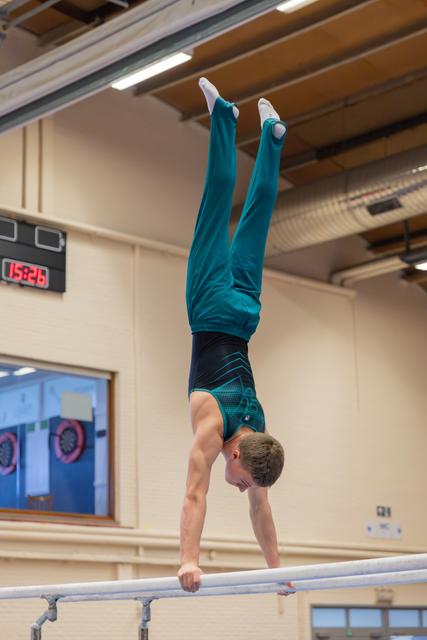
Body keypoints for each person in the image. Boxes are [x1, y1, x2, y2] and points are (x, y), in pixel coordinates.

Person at [178, 78, 291, 595]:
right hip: (209, 309)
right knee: (214, 202)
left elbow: (260, 509)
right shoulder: (212, 428)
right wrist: (188, 562)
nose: (243, 488)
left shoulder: (260, 431)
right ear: (242, 457)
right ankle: (223, 114)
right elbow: (194, 496)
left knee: (256, 221)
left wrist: (277, 570)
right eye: (245, 481)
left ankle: (272, 135)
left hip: (247, 314)